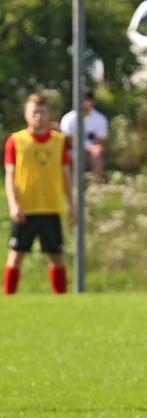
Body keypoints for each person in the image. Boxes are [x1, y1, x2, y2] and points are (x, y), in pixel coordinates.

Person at [3, 93, 75, 295]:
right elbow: (10, 175)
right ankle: (9, 297)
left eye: (42, 113)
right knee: (16, 256)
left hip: (51, 207)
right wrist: (13, 204)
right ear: (26, 115)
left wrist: (72, 205)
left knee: (56, 256)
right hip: (25, 209)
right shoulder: (16, 141)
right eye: (34, 112)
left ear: (48, 115)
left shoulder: (59, 142)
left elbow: (66, 175)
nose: (38, 117)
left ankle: (61, 299)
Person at [60, 90, 108, 183]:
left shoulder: (100, 119)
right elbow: (70, 142)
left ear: (92, 102)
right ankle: (72, 187)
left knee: (97, 155)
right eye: (82, 100)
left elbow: (99, 142)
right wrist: (88, 148)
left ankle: (97, 186)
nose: (85, 103)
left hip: (90, 153)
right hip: (72, 151)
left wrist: (92, 150)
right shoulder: (68, 119)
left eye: (88, 100)